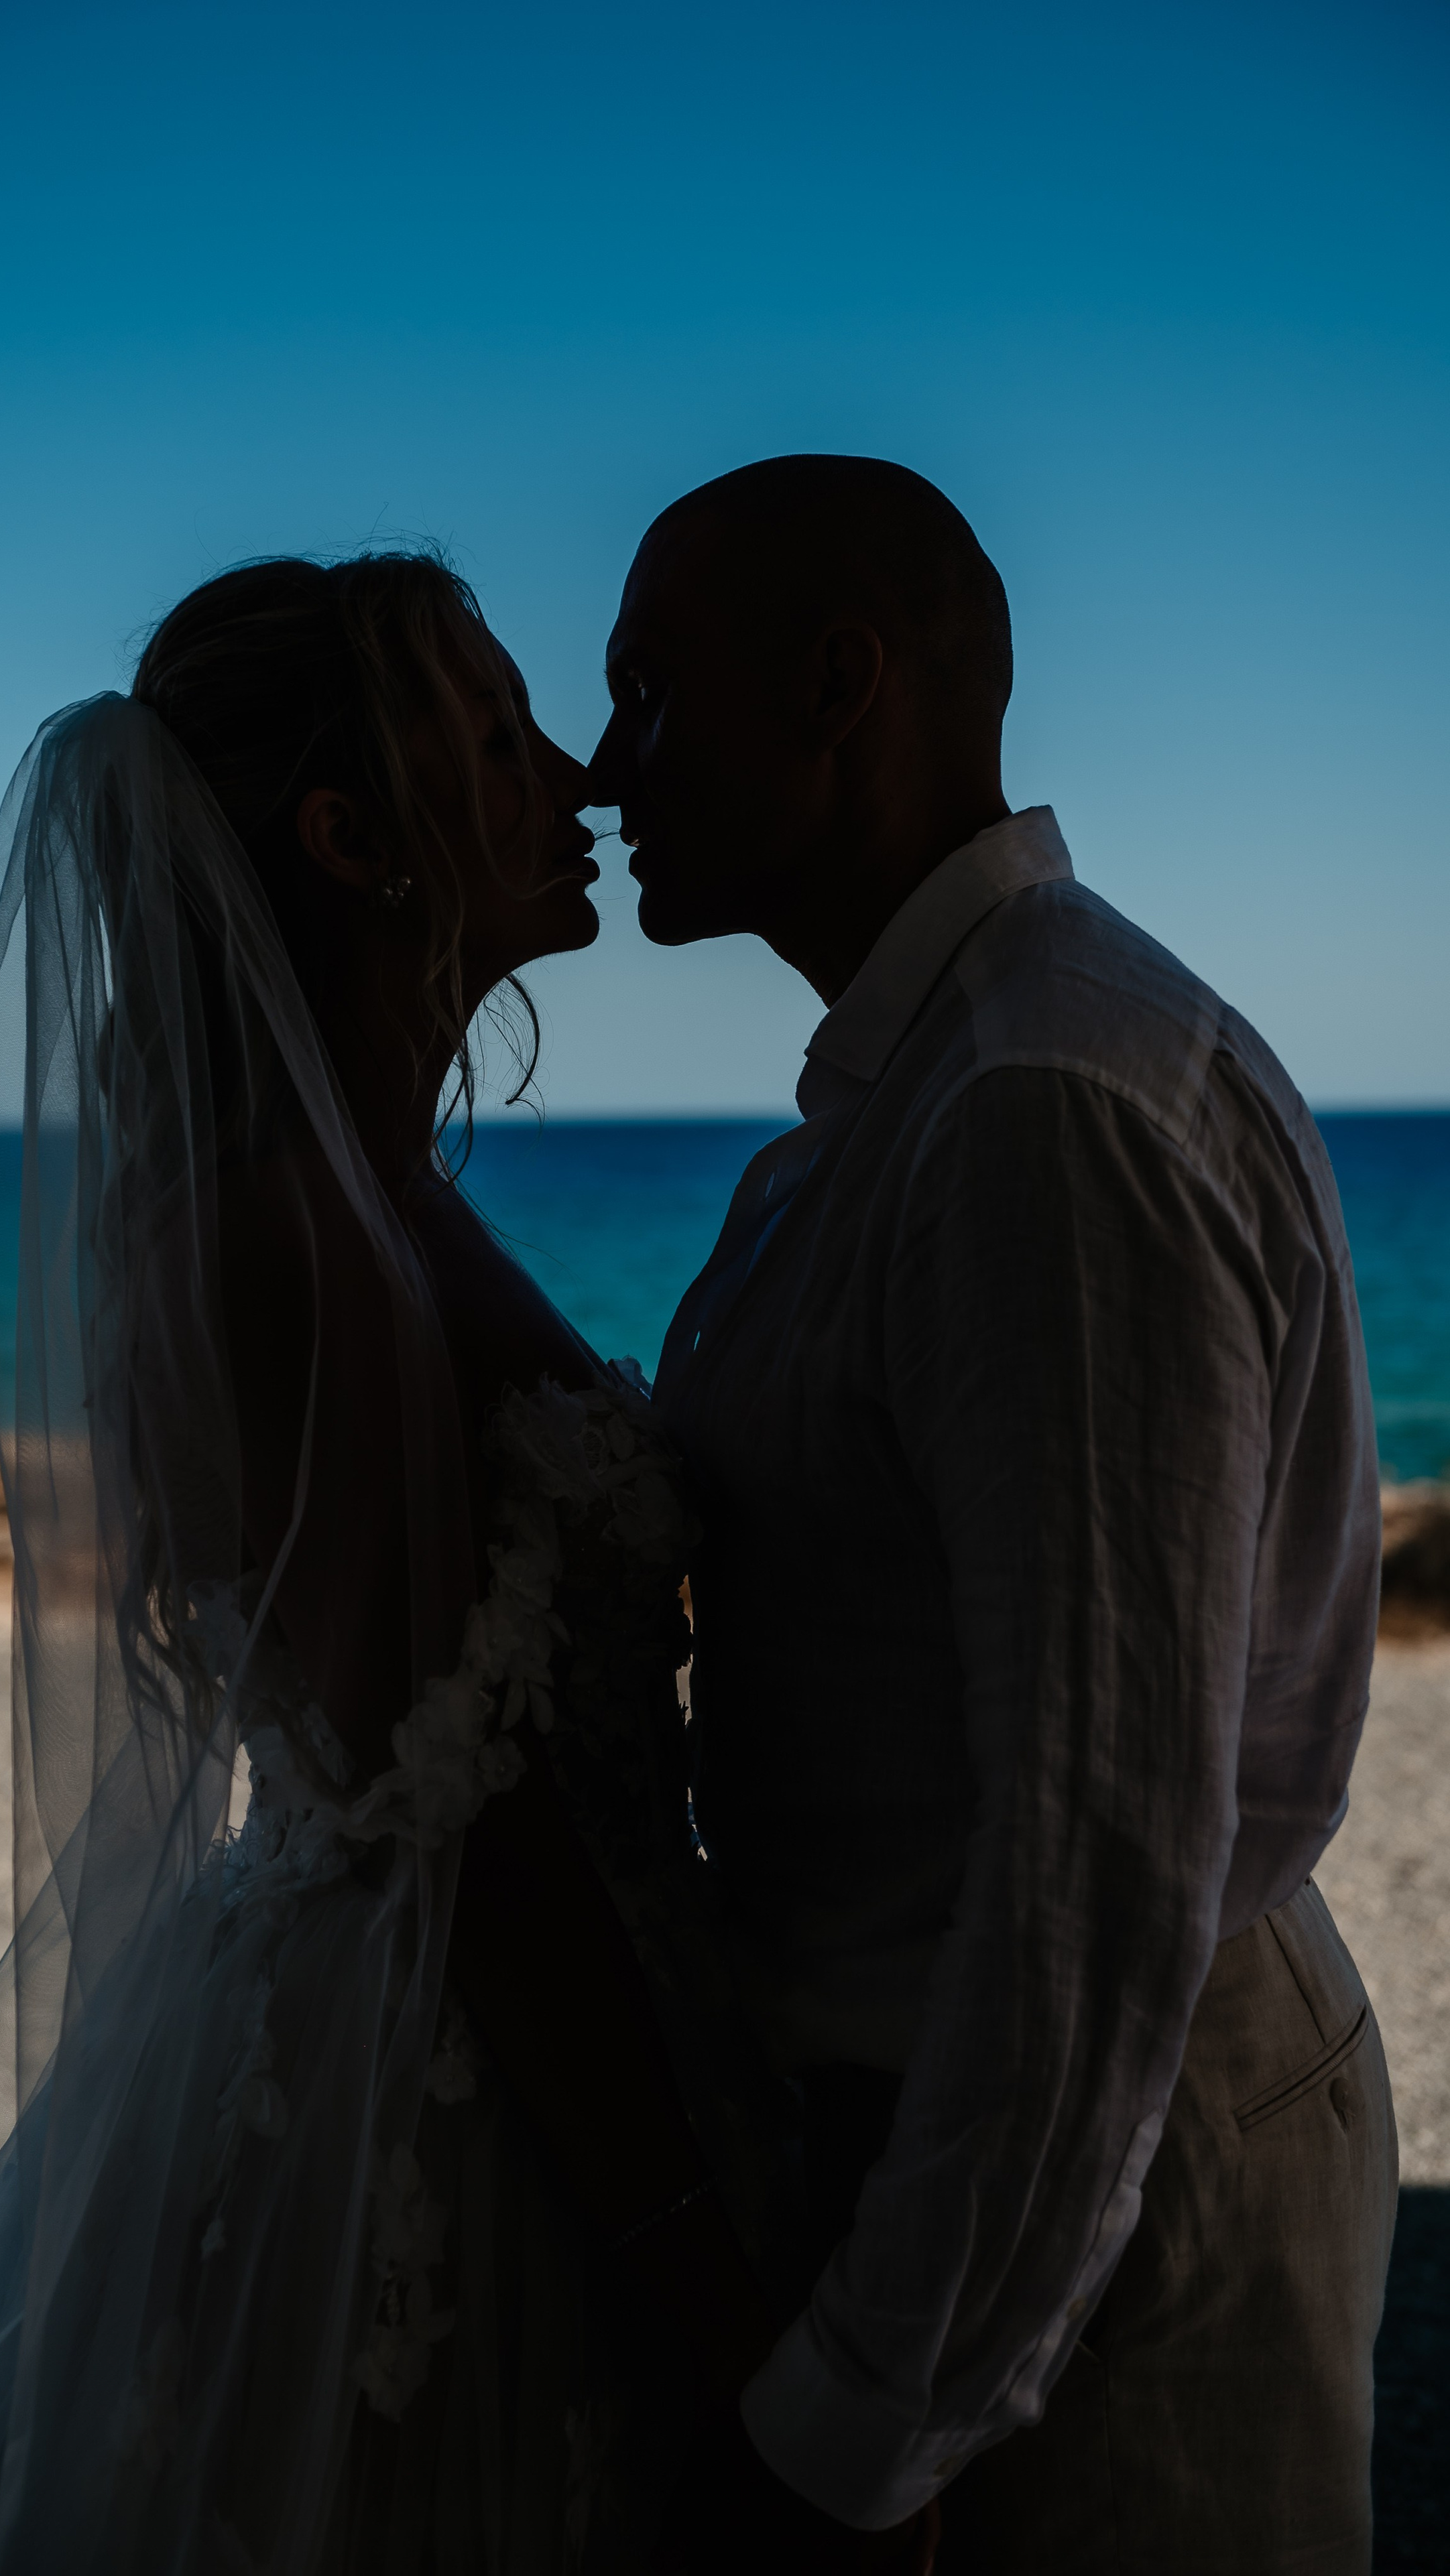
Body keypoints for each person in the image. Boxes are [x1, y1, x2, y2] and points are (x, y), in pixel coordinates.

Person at [0, 552, 790, 2576]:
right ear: (349, 839)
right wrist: (706, 2278)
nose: (570, 769)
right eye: (495, 738)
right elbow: (462, 1826)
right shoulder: (290, 1228)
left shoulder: (369, 1186)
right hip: (456, 2088)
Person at [589, 456, 1398, 2574]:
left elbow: (1098, 1865)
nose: (601, 769)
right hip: (992, 2155)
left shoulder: (1037, 1108)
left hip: (1100, 2202)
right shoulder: (925, 1098)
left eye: (651, 695)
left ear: (841, 685)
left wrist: (862, 2428)